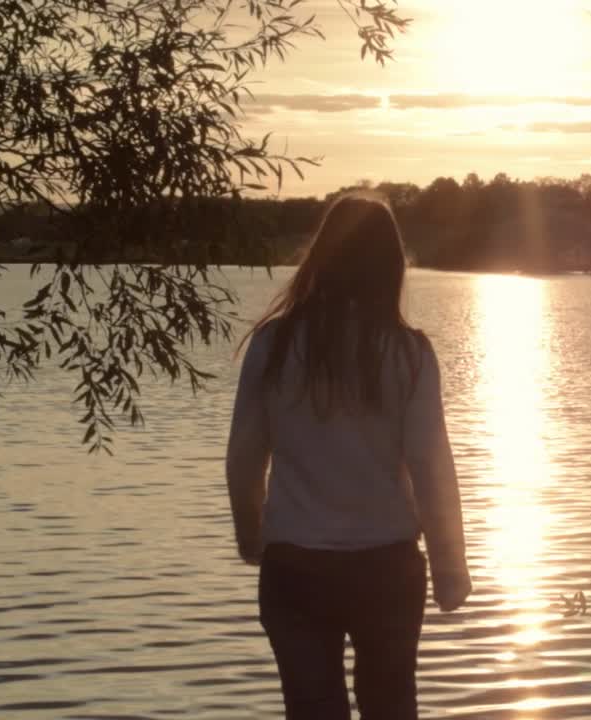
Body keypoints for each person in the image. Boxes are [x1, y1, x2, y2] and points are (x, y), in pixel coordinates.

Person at [224, 191, 471, 720]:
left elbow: (244, 458)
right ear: (390, 266)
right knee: (391, 709)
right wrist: (450, 567)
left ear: (321, 257)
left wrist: (251, 537)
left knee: (312, 711)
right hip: (386, 568)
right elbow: (431, 466)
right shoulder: (409, 354)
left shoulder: (272, 346)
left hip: (295, 567)